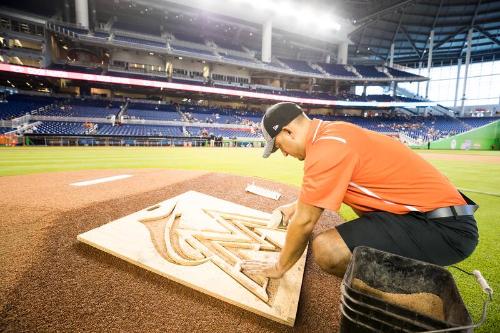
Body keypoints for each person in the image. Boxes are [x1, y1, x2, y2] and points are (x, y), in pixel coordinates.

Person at [242, 102, 478, 279]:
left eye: (279, 146)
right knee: (346, 232)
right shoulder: (332, 133)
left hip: (445, 230)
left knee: (327, 249)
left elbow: (305, 222)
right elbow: (322, 192)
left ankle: (403, 295)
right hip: (435, 218)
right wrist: (292, 207)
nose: (283, 153)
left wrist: (279, 266)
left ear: (288, 132)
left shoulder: (326, 150)